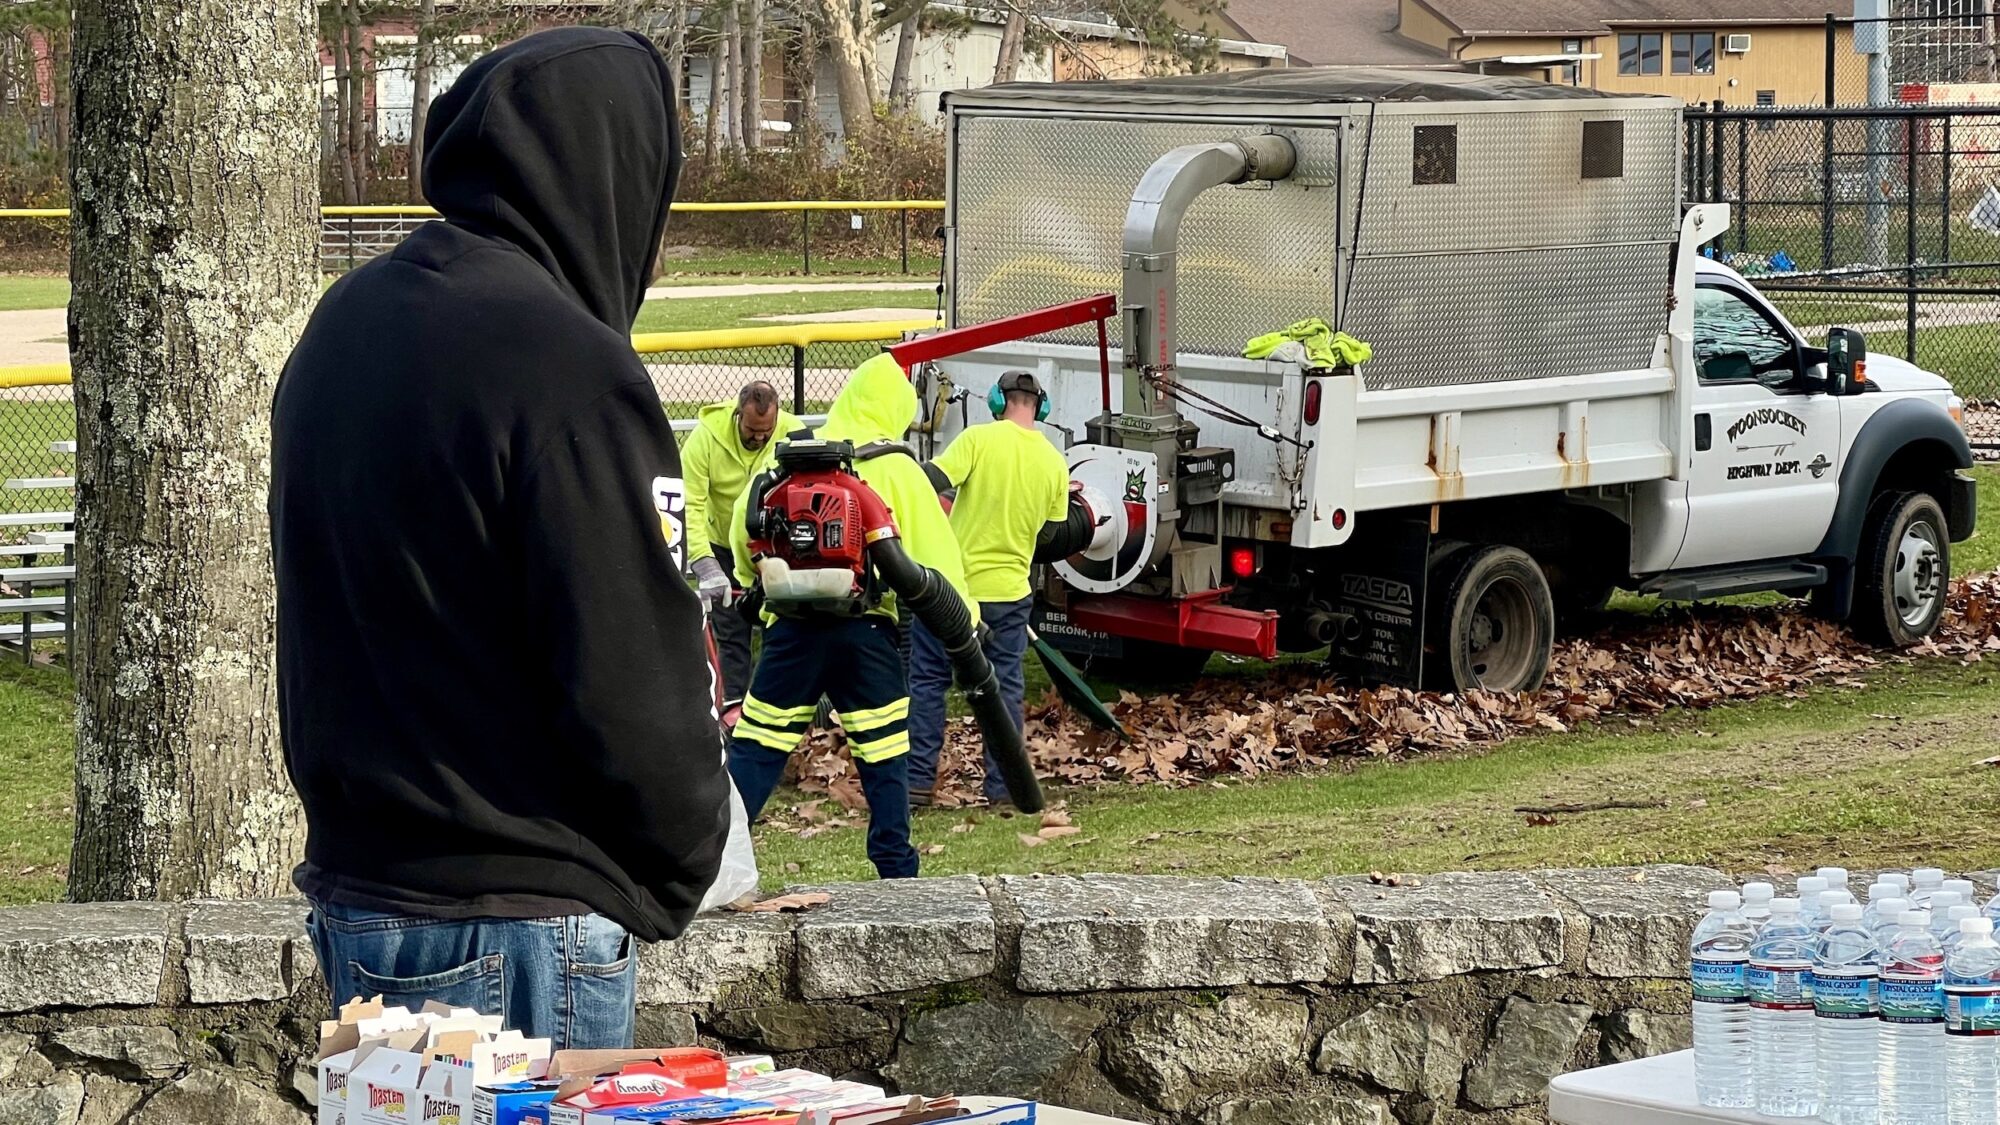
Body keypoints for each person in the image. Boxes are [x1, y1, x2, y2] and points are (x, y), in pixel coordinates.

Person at [269, 28, 727, 1050]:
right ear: (612, 175)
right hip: (520, 907)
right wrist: (687, 852)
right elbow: (633, 669)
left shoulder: (348, 321)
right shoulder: (566, 364)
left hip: (366, 892)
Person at [723, 353, 976, 878]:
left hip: (790, 632)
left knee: (757, 748)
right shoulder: (896, 469)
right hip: (867, 633)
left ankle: (716, 862)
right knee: (885, 754)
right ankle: (895, 866)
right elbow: (936, 563)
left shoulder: (786, 464)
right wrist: (968, 625)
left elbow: (742, 538)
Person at [907, 371, 1070, 807]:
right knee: (1005, 689)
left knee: (927, 681)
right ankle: (1003, 788)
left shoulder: (978, 439)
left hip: (953, 592)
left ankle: (918, 782)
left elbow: (931, 481)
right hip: (1010, 593)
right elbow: (1052, 535)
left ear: (998, 401)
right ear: (1042, 406)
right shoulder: (1055, 462)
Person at [682, 381, 801, 722]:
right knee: (731, 632)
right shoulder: (706, 437)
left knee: (777, 626)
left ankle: (774, 709)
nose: (761, 438)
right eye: (752, 430)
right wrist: (706, 567)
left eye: (767, 431)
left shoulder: (793, 432)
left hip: (774, 550)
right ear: (738, 415)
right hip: (721, 548)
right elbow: (689, 503)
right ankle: (734, 709)